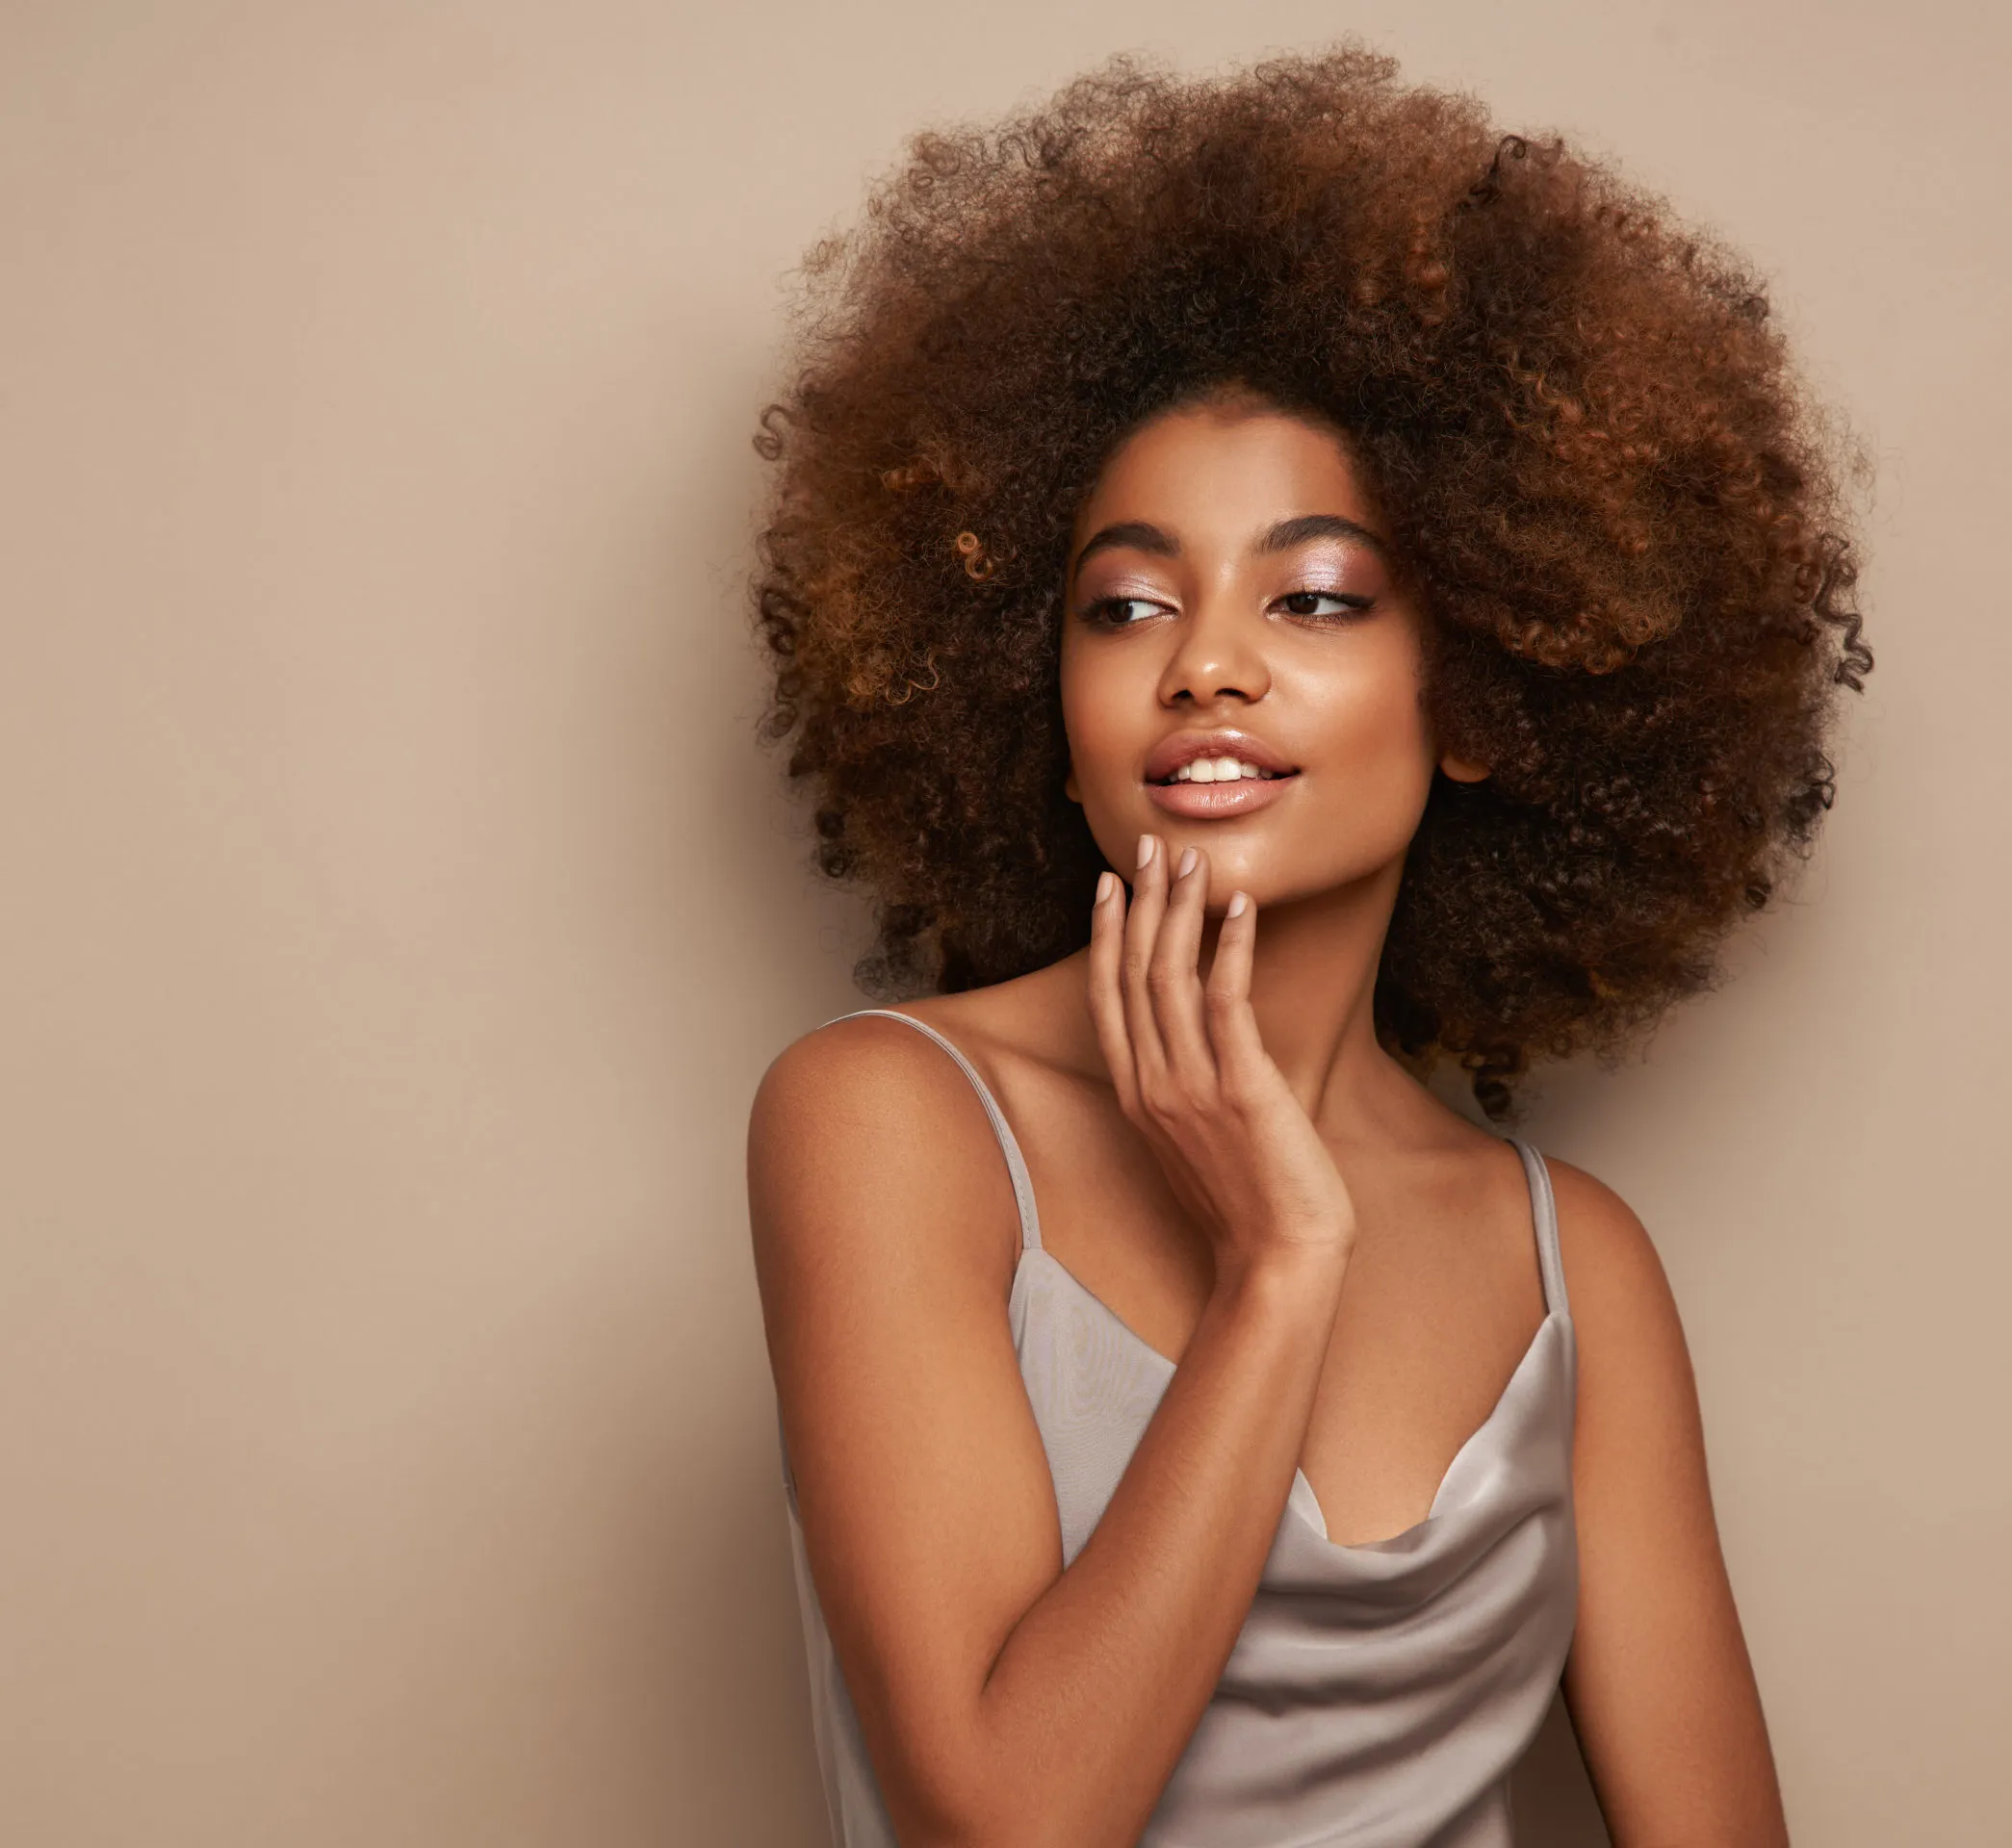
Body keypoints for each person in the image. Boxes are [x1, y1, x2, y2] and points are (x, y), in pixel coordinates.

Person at [743, 46, 1870, 1848]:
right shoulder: (889, 1122)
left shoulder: (1576, 1270)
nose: (1205, 663)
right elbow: (1010, 1824)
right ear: (1050, 705)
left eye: (1317, 596)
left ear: (1487, 684)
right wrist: (1280, 1261)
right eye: (1127, 605)